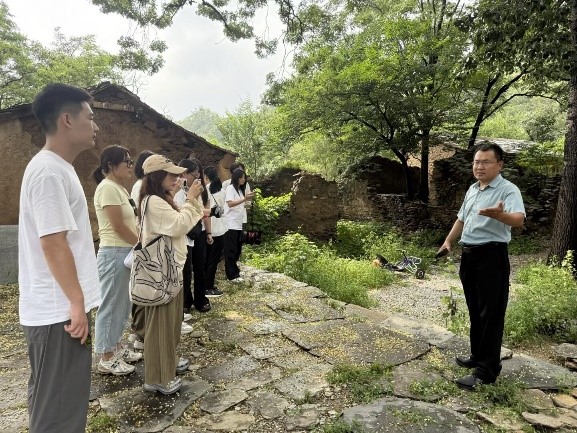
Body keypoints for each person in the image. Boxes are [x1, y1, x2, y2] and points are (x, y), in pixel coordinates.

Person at [18, 83, 101, 432]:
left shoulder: (59, 167)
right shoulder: (48, 171)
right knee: (58, 413)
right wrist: (76, 303)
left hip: (62, 308)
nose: (96, 126)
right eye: (90, 117)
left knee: (58, 402)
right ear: (67, 119)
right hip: (59, 312)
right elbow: (53, 243)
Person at [438, 142, 525, 390]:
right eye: (477, 162)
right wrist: (448, 241)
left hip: (492, 257)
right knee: (475, 309)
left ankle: (487, 371)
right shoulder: (473, 189)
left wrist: (500, 216)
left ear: (500, 164)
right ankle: (477, 356)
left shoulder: (508, 190)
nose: (480, 166)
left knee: (491, 314)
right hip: (469, 255)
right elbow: (462, 219)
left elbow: (518, 219)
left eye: (486, 162)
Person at [138, 154, 204, 394]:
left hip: (169, 271)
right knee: (160, 326)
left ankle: (166, 365)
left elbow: (184, 221)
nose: (177, 178)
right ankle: (157, 377)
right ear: (158, 176)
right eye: (171, 175)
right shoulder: (154, 202)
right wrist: (190, 199)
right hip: (162, 273)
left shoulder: (159, 199)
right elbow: (179, 225)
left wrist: (188, 199)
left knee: (170, 324)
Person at [92, 144, 142, 375]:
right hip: (114, 252)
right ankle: (106, 356)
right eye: (126, 162)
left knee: (122, 304)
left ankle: (116, 346)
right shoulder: (107, 188)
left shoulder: (120, 188)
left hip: (124, 252)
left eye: (131, 161)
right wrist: (141, 245)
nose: (131, 166)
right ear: (111, 165)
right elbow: (118, 226)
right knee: (111, 304)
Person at [175, 159, 212, 314]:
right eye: (194, 174)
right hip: (185, 234)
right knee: (186, 269)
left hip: (199, 232)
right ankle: (186, 301)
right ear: (184, 173)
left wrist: (208, 232)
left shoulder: (200, 190)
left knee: (200, 267)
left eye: (198, 174)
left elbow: (203, 210)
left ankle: (200, 299)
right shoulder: (177, 191)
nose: (197, 177)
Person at [128, 150, 154, 351]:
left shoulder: (144, 185)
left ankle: (143, 330)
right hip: (143, 241)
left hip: (146, 240)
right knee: (141, 288)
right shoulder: (140, 186)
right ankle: (140, 332)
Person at [223, 168, 253, 282]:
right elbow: (230, 204)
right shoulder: (231, 188)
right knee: (231, 250)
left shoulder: (240, 190)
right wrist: (244, 199)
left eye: (244, 178)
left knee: (237, 250)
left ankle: (234, 271)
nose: (243, 180)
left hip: (238, 224)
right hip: (230, 224)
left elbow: (241, 205)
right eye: (242, 178)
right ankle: (232, 275)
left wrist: (248, 201)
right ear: (237, 178)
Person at [204, 165, 226, 297]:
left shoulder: (204, 190)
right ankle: (209, 287)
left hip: (208, 228)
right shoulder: (222, 191)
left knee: (206, 259)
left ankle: (205, 286)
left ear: (206, 177)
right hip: (220, 229)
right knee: (213, 260)